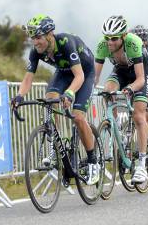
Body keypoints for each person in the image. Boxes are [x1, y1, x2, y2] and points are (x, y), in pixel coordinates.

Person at [11, 14, 99, 185]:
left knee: (78, 117)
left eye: (38, 37)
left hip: (84, 73)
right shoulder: (35, 52)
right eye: (32, 38)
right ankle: (56, 148)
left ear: (50, 34)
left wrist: (70, 93)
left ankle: (93, 162)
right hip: (64, 73)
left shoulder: (66, 43)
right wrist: (20, 96)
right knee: (49, 98)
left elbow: (79, 76)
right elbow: (28, 77)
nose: (35, 42)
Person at [94, 15, 148, 183]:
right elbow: (95, 77)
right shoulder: (103, 45)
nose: (109, 42)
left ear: (124, 36)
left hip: (140, 74)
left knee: (139, 115)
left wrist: (130, 88)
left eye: (114, 38)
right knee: (107, 90)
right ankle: (116, 123)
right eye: (107, 38)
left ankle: (141, 164)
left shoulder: (133, 43)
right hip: (120, 71)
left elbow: (140, 79)